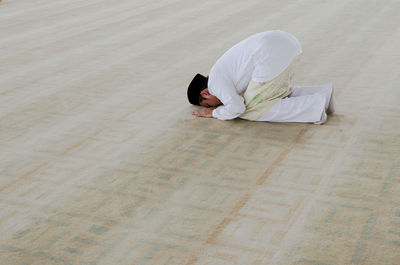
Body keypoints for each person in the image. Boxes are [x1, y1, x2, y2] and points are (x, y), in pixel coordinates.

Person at [187, 30, 336, 124]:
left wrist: (214, 113)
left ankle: (315, 106)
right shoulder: (221, 72)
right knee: (269, 95)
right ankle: (325, 94)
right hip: (288, 45)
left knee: (252, 109)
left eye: (210, 104)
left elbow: (237, 107)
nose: (218, 104)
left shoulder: (215, 83)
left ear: (205, 93)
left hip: (270, 55)